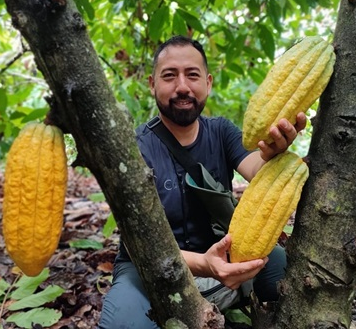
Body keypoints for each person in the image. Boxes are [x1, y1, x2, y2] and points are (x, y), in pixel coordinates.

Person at [98, 35, 307, 328]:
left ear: (207, 83)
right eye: (169, 76)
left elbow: (257, 169)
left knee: (297, 274)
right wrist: (204, 265)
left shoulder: (221, 132)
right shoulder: (133, 149)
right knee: (123, 323)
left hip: (224, 250)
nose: (182, 86)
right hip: (147, 267)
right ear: (151, 84)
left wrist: (275, 150)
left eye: (192, 75)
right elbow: (137, 244)